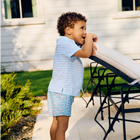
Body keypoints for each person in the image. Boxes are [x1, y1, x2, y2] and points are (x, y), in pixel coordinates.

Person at [47, 12, 98, 140]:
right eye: (82, 28)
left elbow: (86, 50)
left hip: (57, 90)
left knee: (56, 123)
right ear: (68, 30)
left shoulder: (66, 44)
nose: (85, 32)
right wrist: (90, 37)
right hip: (62, 92)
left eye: (85, 29)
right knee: (62, 127)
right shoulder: (66, 43)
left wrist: (88, 42)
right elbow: (86, 54)